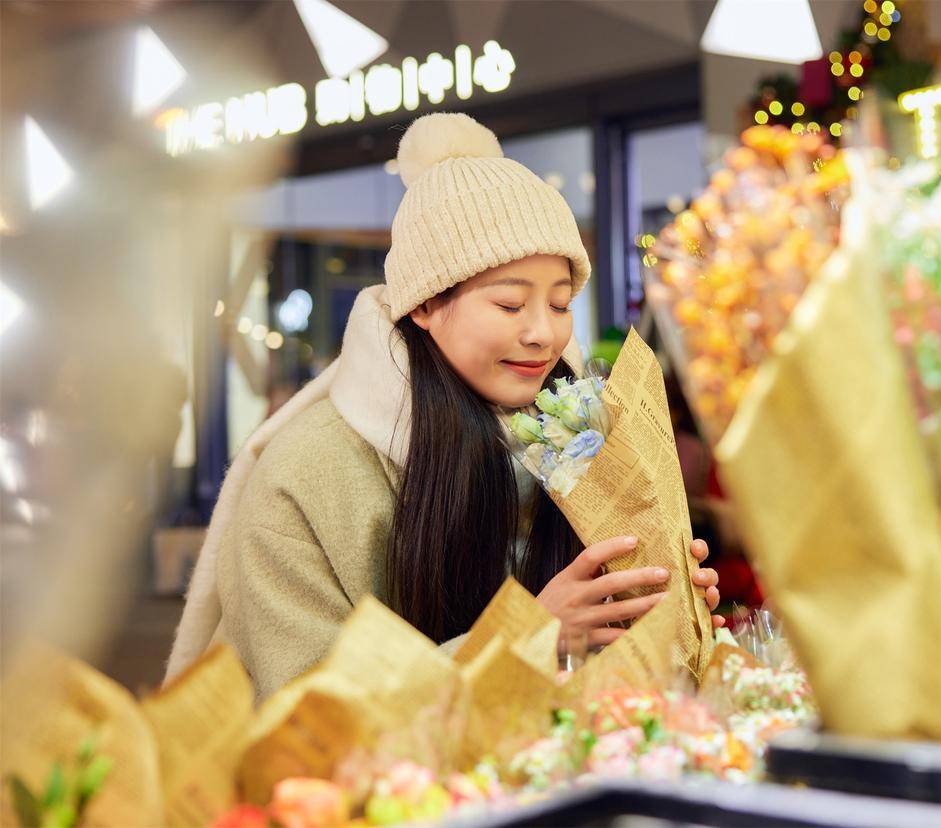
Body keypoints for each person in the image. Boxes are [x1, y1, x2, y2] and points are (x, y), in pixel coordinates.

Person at [166, 113, 724, 700]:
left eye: (560, 305)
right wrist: (527, 637)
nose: (542, 333)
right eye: (510, 305)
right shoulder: (304, 475)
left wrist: (652, 607)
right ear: (426, 305)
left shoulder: (574, 440)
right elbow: (311, 714)